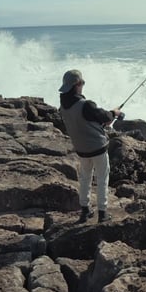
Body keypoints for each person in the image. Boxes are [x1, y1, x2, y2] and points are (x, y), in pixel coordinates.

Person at [58, 69, 121, 223]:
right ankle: (102, 212)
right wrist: (115, 113)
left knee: (85, 178)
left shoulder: (63, 107)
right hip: (97, 148)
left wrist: (103, 120)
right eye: (82, 83)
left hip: (81, 149)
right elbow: (105, 116)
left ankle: (85, 211)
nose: (83, 86)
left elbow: (82, 122)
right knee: (102, 179)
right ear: (77, 85)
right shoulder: (85, 105)